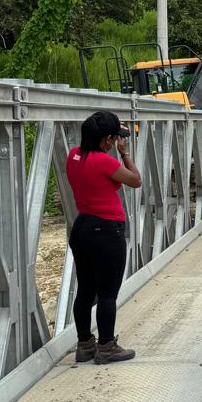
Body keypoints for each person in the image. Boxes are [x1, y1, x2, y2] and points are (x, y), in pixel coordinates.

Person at [65, 110, 142, 365]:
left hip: (82, 228)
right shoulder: (104, 162)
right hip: (107, 231)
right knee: (108, 293)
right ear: (108, 139)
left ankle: (85, 345)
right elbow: (136, 180)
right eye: (114, 138)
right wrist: (124, 154)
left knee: (86, 290)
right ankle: (107, 346)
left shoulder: (73, 155)